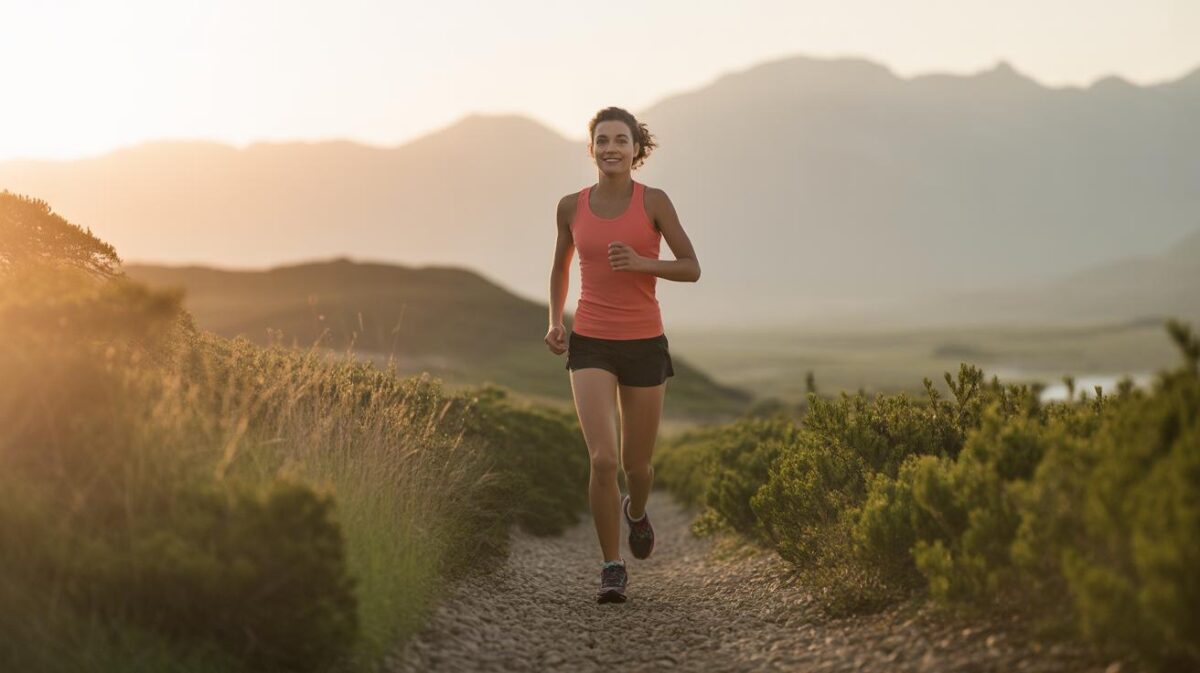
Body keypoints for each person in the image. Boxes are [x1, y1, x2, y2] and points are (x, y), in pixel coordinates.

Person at [545, 107, 701, 604]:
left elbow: (691, 267)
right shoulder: (571, 207)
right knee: (603, 458)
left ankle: (637, 512)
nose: (611, 147)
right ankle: (612, 565)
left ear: (637, 149)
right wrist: (554, 320)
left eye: (621, 140)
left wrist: (641, 263)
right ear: (591, 148)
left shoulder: (654, 202)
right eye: (603, 140)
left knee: (637, 465)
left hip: (644, 342)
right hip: (590, 340)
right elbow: (559, 269)